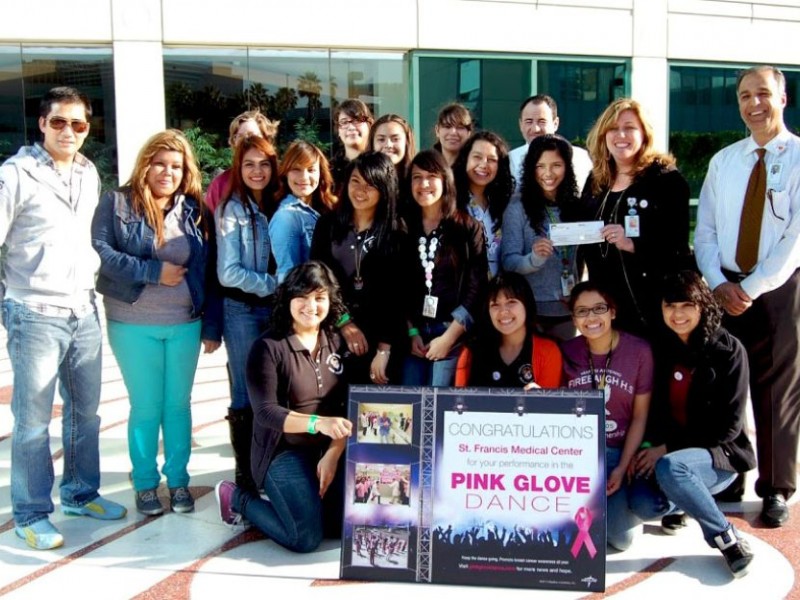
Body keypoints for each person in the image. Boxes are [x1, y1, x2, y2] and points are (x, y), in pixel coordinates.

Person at [0, 86, 127, 550]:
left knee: (85, 414)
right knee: (33, 422)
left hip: (83, 306)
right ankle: (31, 513)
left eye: (78, 124)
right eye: (59, 122)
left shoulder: (89, 172)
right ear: (42, 124)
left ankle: (79, 492)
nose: (68, 131)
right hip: (34, 311)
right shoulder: (16, 174)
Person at [92, 129, 222, 516]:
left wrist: (212, 326)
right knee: (146, 406)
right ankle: (146, 484)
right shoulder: (116, 202)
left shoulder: (196, 209)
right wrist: (153, 271)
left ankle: (178, 481)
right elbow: (103, 249)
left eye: (177, 166)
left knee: (178, 406)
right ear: (145, 165)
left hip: (184, 322)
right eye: (160, 164)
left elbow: (210, 269)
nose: (168, 172)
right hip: (132, 323)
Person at [694, 65, 800, 528]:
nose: (753, 104)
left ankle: (776, 486)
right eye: (744, 96)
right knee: (725, 385)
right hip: (724, 287)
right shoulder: (724, 161)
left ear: (783, 98)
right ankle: (730, 471)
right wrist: (718, 283)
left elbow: (796, 236)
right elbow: (707, 231)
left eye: (762, 94)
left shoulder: (798, 156)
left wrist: (752, 288)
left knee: (777, 389)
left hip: (777, 288)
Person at [214, 261, 353, 552]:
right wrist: (318, 423)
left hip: (327, 448)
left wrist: (333, 452)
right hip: (283, 451)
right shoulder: (268, 347)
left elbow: (348, 406)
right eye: (302, 297)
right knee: (305, 538)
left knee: (345, 526)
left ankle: (307, 505)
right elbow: (266, 412)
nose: (311, 306)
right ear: (287, 299)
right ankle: (240, 498)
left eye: (319, 297)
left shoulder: (337, 342)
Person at [627, 270, 756, 577]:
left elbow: (727, 429)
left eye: (686, 305)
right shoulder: (658, 349)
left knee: (672, 468)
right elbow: (652, 414)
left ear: (703, 305)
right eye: (670, 306)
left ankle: (727, 538)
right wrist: (647, 448)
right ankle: (686, 498)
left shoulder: (728, 351)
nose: (678, 314)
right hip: (668, 455)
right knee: (643, 504)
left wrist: (667, 449)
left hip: (717, 458)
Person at [579, 98, 693, 338]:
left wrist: (633, 244)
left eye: (629, 127)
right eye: (613, 128)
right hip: (605, 309)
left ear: (644, 134)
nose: (621, 134)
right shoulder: (596, 181)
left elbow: (678, 249)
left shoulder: (666, 181)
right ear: (603, 135)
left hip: (650, 309)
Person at [561, 281, 652, 551]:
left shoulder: (639, 351)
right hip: (579, 454)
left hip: (617, 451)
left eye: (599, 309)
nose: (591, 318)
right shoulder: (567, 351)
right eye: (582, 311)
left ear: (612, 311)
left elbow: (640, 416)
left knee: (622, 540)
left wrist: (622, 467)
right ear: (574, 318)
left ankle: (615, 505)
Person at [215, 134, 281, 492]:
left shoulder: (281, 203)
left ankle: (269, 469)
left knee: (274, 392)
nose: (258, 171)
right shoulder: (232, 209)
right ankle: (245, 477)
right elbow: (229, 272)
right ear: (239, 169)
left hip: (278, 312)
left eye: (265, 163)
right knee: (244, 392)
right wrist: (276, 285)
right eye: (249, 164)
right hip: (242, 310)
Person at [311, 152, 407, 384]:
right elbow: (317, 277)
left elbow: (398, 295)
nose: (360, 191)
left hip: (381, 338)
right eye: (355, 181)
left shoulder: (397, 232)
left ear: (384, 189)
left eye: (370, 185)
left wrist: (384, 350)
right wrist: (345, 323)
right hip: (333, 329)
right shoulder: (328, 225)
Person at [401, 150, 487, 387]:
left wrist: (449, 338)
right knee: (412, 407)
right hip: (414, 335)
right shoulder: (403, 227)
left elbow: (477, 287)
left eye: (431, 176)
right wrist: (411, 332)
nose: (424, 184)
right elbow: (398, 286)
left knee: (441, 407)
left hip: (453, 333)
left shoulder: (467, 227)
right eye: (417, 177)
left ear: (445, 180)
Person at [502, 134, 581, 340]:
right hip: (531, 311)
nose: (548, 173)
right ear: (530, 168)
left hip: (568, 309)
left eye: (556, 165)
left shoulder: (576, 205)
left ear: (567, 167)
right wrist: (533, 258)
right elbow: (508, 262)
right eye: (540, 166)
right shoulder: (517, 207)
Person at [455, 272, 562, 388]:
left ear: (527, 305)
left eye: (511, 302)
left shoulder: (548, 351)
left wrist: (535, 400)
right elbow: (460, 402)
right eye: (495, 305)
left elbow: (549, 404)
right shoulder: (471, 351)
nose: (503, 311)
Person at [269, 140, 337, 282]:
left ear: (321, 173)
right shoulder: (286, 217)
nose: (304, 177)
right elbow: (287, 276)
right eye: (296, 169)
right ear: (286, 173)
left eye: (311, 170)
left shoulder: (328, 208)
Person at [453, 131, 513, 277]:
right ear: (465, 159)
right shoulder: (451, 200)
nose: (483, 164)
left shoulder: (503, 202)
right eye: (477, 157)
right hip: (463, 290)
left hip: (496, 293)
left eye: (492, 159)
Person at [508, 94, 592, 191]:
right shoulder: (510, 160)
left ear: (555, 123)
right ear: (520, 124)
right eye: (529, 121)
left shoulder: (580, 157)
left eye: (542, 121)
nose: (535, 129)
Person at [204, 110, 280, 212]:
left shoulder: (280, 181)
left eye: (253, 135)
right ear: (233, 142)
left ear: (266, 140)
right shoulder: (220, 184)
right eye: (240, 136)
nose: (246, 140)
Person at [330, 98, 375, 192]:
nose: (351, 127)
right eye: (344, 122)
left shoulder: (380, 166)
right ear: (338, 130)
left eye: (357, 120)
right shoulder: (329, 170)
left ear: (370, 125)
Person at [367, 114, 417, 184]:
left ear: (407, 142)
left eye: (395, 139)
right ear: (372, 143)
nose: (388, 145)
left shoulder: (417, 181)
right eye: (381, 139)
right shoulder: (363, 180)